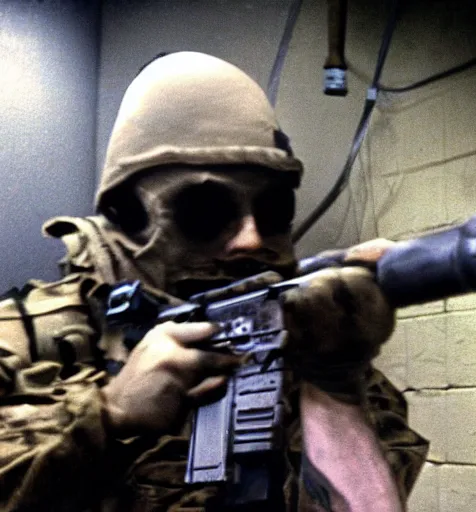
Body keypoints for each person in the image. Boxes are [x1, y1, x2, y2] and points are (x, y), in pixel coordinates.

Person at [0, 52, 428, 511]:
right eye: (206, 211)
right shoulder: (28, 338)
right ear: (125, 216)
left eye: (272, 211)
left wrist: (333, 385)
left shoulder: (315, 354)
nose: (251, 239)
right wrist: (106, 413)